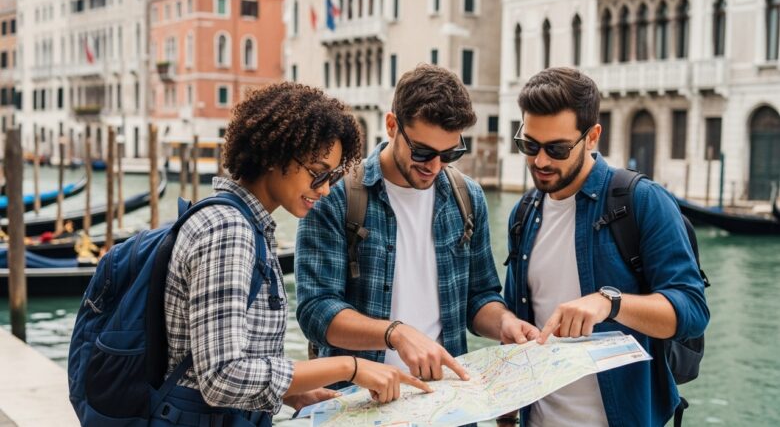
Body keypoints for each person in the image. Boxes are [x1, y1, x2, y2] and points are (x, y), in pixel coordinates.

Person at [164, 83, 431, 425]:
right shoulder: (228, 231)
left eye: (332, 175)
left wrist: (291, 393)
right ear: (276, 155)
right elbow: (221, 376)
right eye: (317, 172)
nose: (324, 188)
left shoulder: (244, 223)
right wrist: (350, 367)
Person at [295, 64, 539, 385]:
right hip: (360, 402)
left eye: (450, 153)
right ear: (392, 125)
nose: (434, 166)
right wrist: (396, 334)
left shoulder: (468, 196)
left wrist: (505, 322)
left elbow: (480, 296)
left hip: (447, 402)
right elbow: (316, 310)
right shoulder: (334, 196)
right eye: (423, 151)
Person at [501, 67, 709, 426]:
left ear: (592, 137)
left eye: (558, 148)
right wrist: (505, 416)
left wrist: (609, 303)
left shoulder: (644, 201)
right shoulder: (523, 213)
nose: (540, 161)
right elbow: (517, 325)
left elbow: (692, 311)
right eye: (529, 145)